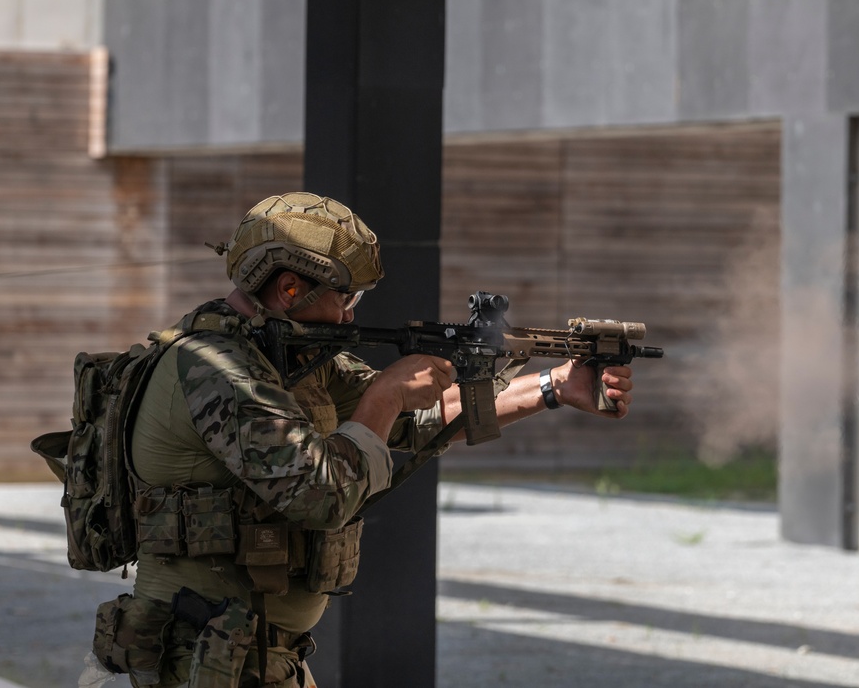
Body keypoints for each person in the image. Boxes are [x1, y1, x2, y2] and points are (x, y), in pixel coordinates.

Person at [92, 192, 632, 688]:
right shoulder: (215, 367)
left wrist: (553, 386)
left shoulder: (284, 357)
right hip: (195, 658)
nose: (352, 316)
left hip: (248, 655)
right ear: (288, 288)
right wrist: (386, 394)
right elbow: (319, 494)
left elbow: (418, 421)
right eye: (346, 299)